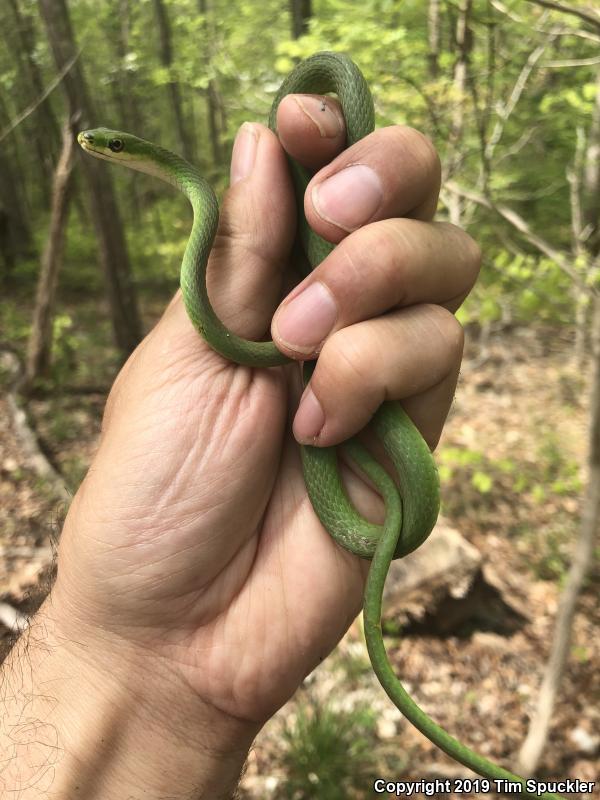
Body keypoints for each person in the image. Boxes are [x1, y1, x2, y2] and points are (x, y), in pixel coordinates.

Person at [0, 92, 480, 798]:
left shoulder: (212, 212)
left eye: (109, 144)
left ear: (136, 153)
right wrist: (116, 645)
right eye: (104, 144)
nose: (98, 148)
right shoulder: (204, 244)